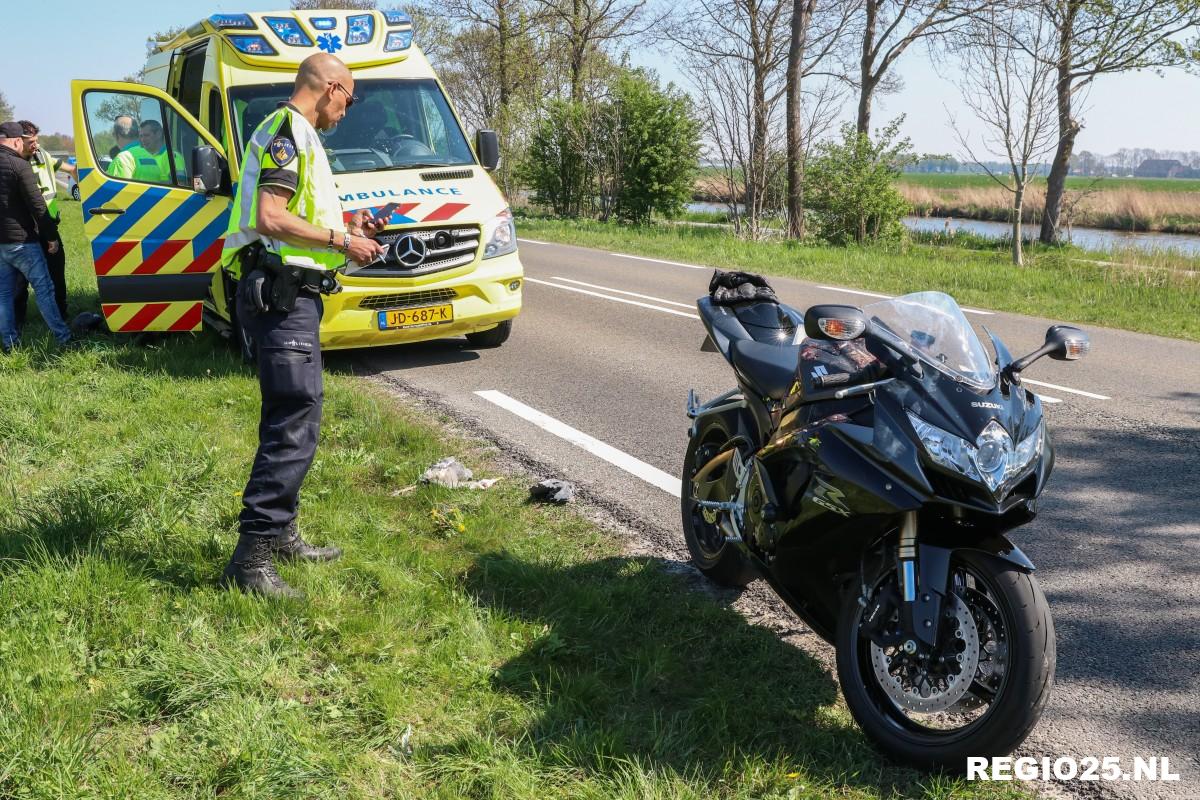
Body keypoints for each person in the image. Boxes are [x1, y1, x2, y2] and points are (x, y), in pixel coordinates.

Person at [219, 53, 384, 598]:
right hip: (282, 298)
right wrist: (343, 242)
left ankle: (282, 533)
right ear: (332, 88)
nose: (347, 110)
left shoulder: (293, 132)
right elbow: (271, 217)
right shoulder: (288, 131)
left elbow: (292, 215)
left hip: (292, 297)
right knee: (293, 422)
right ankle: (252, 560)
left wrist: (350, 225)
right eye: (350, 99)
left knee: (292, 419)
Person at [0, 121, 72, 351]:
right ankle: (63, 337)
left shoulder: (35, 158)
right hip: (24, 240)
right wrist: (50, 236)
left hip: (3, 243)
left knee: (4, 293)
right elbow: (38, 206)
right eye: (26, 142)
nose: (32, 146)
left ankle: (10, 342)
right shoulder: (19, 166)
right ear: (16, 141)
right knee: (44, 289)